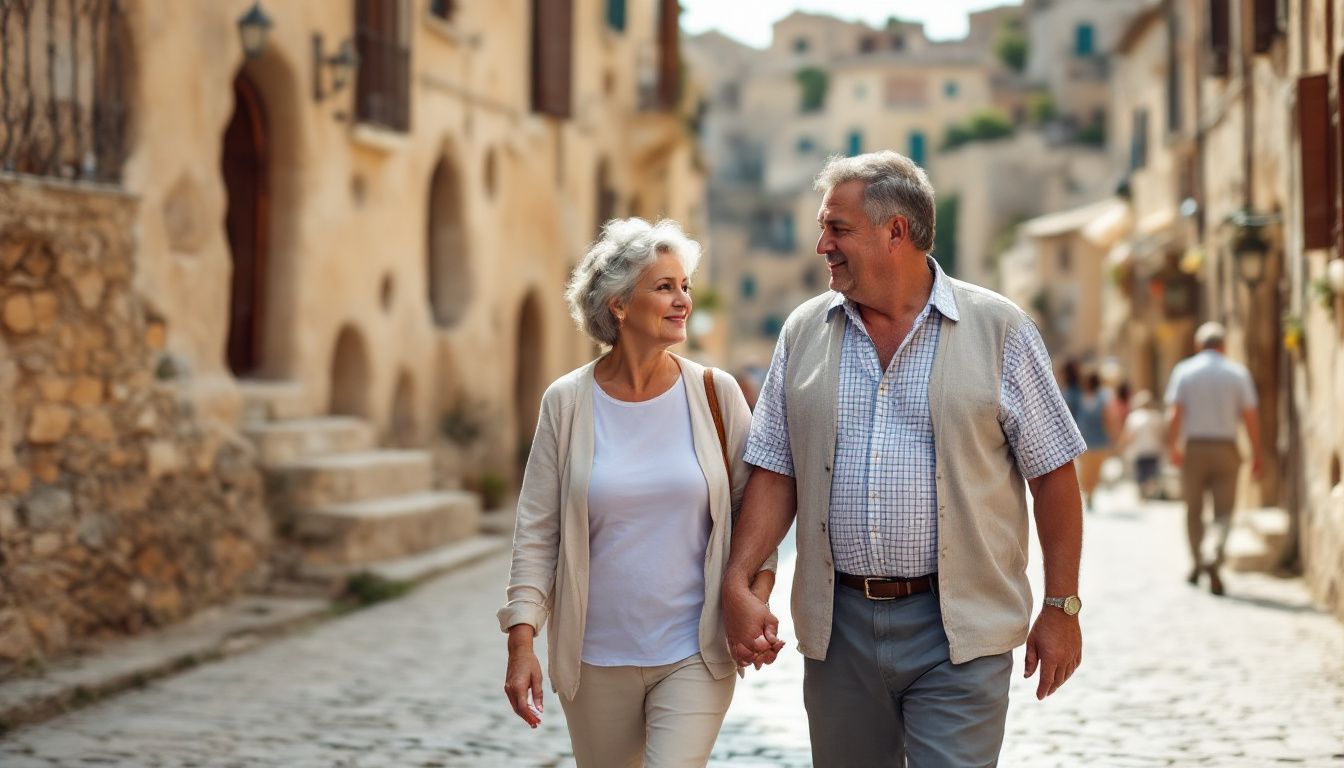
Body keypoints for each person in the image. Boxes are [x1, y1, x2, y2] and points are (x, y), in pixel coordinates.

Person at [720, 151, 1087, 767]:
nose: (821, 246)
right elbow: (776, 467)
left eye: (837, 229)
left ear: (896, 232)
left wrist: (1062, 606)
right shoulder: (803, 332)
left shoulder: (999, 328)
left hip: (961, 631)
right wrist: (738, 580)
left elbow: (1054, 476)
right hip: (838, 631)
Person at [498, 218, 777, 766]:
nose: (683, 301)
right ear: (619, 306)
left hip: (695, 653)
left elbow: (756, 518)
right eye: (665, 287)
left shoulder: (716, 396)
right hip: (595, 657)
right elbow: (537, 532)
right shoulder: (567, 403)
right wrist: (521, 641)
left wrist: (752, 599)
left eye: (685, 286)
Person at [1165, 321, 1261, 596]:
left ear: (1198, 346)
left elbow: (1175, 413)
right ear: (1224, 346)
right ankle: (1214, 555)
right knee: (1224, 511)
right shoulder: (1237, 373)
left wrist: (1173, 446)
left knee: (1193, 511)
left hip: (1194, 448)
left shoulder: (1184, 370)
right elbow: (1250, 416)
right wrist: (1255, 452)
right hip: (1227, 448)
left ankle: (1197, 563)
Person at [1074, 370, 1116, 509]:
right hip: (1089, 441)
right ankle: (1088, 492)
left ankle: (1090, 492)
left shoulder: (1100, 397)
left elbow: (1108, 418)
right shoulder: (1081, 397)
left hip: (1094, 440)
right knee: (1088, 470)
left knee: (1093, 470)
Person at [1120, 390, 1165, 499]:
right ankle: (1149, 490)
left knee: (1141, 475)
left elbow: (1129, 435)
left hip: (1139, 451)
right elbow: (1162, 434)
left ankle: (1143, 493)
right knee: (1151, 473)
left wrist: (1121, 447)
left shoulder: (1134, 417)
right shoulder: (1157, 416)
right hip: (1154, 450)